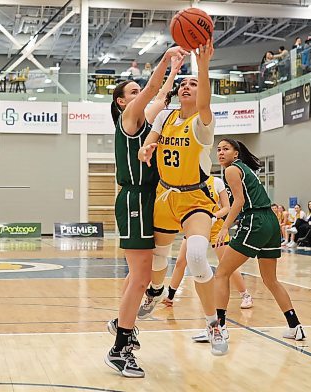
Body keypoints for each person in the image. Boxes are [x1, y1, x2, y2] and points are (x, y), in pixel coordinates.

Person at [137, 40, 228, 356]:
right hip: (165, 194)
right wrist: (146, 148)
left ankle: (213, 323)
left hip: (195, 198)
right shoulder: (166, 118)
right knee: (158, 258)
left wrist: (203, 65)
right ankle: (156, 290)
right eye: (184, 84)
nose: (188, 87)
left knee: (198, 256)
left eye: (194, 84)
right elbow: (149, 140)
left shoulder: (203, 123)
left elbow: (205, 101)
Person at [105, 46, 188, 378]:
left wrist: (173, 72)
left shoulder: (147, 125)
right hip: (134, 201)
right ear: (123, 102)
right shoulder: (129, 120)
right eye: (133, 92)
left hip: (149, 199)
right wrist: (167, 61)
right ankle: (119, 349)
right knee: (140, 278)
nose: (141, 94)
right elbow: (154, 91)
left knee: (136, 276)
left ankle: (120, 323)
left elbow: (160, 95)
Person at [213, 138, 306, 355]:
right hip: (270, 222)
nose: (221, 152)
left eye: (225, 149)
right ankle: (295, 326)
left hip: (255, 221)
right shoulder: (245, 168)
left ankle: (221, 327)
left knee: (221, 273)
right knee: (270, 279)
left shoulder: (232, 170)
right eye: (218, 150)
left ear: (236, 153)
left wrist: (225, 227)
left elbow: (239, 202)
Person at [161, 175, 253, 310]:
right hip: (196, 227)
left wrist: (214, 216)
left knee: (227, 264)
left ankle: (245, 295)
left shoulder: (216, 182)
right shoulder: (189, 180)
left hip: (216, 228)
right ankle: (170, 296)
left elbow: (227, 207)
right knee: (181, 261)